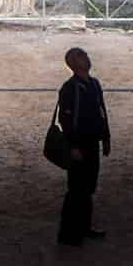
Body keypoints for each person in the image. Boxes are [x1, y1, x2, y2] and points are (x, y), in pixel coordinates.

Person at [55, 46, 111, 246]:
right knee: (76, 189)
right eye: (82, 56)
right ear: (72, 63)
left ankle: (84, 228)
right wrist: (73, 147)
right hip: (79, 146)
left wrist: (105, 138)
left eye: (85, 55)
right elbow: (66, 120)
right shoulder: (69, 88)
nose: (87, 58)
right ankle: (68, 235)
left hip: (92, 143)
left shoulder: (93, 84)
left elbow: (101, 112)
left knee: (87, 188)